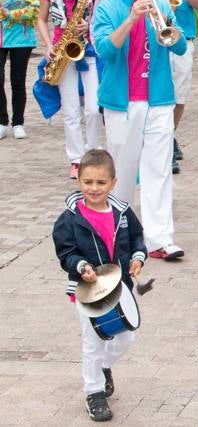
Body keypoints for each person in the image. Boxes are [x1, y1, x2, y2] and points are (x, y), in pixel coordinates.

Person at [91, 0, 188, 261]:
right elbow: (105, 50)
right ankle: (117, 235)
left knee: (158, 169)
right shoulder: (108, 8)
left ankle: (160, 238)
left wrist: (167, 26)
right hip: (123, 101)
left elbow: (179, 46)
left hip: (159, 97)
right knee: (122, 167)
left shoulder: (159, 3)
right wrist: (132, 19)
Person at [52, 149, 147, 423]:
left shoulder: (123, 212)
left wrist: (138, 259)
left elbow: (137, 240)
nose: (94, 189)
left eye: (101, 183)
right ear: (79, 180)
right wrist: (81, 267)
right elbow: (66, 252)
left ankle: (104, 367)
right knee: (92, 343)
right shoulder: (70, 218)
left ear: (113, 182)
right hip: (87, 293)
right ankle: (94, 393)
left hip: (120, 288)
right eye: (88, 182)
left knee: (126, 336)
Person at [37, 0, 102, 178]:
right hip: (63, 51)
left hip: (89, 49)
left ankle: (94, 152)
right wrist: (48, 45)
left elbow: (101, 19)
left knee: (94, 109)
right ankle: (76, 158)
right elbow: (42, 20)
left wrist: (90, 26)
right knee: (72, 109)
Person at [147, 0, 198, 175]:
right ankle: (161, 144)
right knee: (154, 94)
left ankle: (169, 135)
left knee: (179, 95)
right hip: (152, 38)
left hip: (181, 36)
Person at [0, 0, 40, 140]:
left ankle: (18, 122)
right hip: (0, 35)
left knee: (18, 80)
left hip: (21, 37)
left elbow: (34, 7)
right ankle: (2, 121)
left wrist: (10, 13)